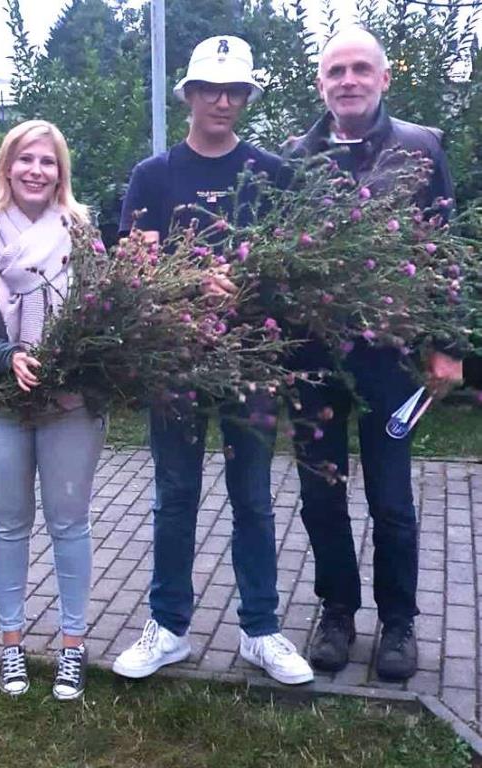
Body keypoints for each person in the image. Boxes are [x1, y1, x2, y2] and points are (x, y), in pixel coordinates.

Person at [111, 36, 314, 686]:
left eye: (234, 91)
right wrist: (194, 282)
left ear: (246, 98)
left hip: (250, 363)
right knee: (175, 496)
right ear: (190, 96)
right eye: (210, 90)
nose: (222, 101)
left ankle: (261, 630)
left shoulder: (273, 174)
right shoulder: (154, 175)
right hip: (174, 361)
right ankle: (168, 627)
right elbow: (133, 271)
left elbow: (294, 271)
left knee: (252, 496)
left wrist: (248, 285)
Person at [285, 27, 462, 680]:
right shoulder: (294, 157)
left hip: (392, 360)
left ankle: (399, 621)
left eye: (362, 69)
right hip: (313, 359)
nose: (349, 80)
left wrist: (448, 345)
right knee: (320, 496)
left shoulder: (419, 148)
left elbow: (448, 253)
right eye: (337, 71)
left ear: (384, 78)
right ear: (320, 84)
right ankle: (337, 611)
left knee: (391, 499)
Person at [0, 120, 105, 701]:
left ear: (61, 173)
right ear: (6, 167)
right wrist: (6, 355)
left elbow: (102, 313)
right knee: (9, 525)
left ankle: (72, 646)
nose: (37, 170)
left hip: (70, 405)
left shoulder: (83, 233)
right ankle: (11, 644)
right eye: (26, 159)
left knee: (70, 524)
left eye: (48, 161)